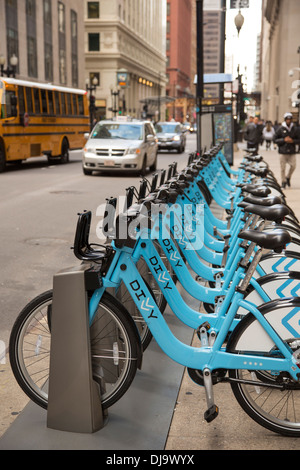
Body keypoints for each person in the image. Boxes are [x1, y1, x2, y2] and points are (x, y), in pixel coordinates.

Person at [274, 112, 300, 188]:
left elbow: (298, 139)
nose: (288, 120)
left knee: (293, 166)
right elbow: (275, 139)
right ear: (285, 120)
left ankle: (288, 177)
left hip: (292, 151)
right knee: (282, 168)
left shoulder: (295, 129)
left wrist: (293, 141)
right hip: (283, 151)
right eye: (287, 119)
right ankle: (283, 181)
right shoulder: (280, 129)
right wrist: (283, 140)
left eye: (290, 119)